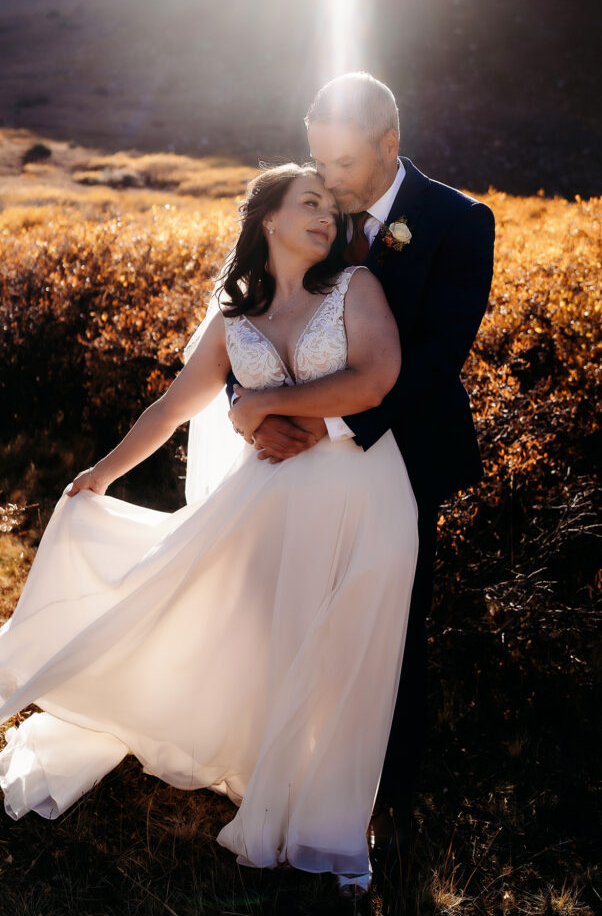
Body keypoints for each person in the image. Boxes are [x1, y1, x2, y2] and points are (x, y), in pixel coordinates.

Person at [0, 163, 419, 903]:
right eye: (308, 204)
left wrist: (260, 404)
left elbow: (375, 381)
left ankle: (326, 828)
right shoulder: (233, 319)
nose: (326, 218)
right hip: (269, 502)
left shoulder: (357, 289)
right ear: (267, 219)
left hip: (363, 493)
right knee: (267, 644)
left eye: (331, 209)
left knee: (346, 655)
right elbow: (172, 410)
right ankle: (272, 793)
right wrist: (104, 473)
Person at [236, 73, 495, 854]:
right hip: (295, 464)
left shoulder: (458, 221)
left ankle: (384, 804)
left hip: (402, 455)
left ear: (390, 145)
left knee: (393, 628)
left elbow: (440, 355)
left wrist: (327, 418)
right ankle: (289, 770)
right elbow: (258, 314)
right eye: (318, 160)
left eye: (343, 164)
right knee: (281, 612)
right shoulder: (313, 210)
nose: (328, 181)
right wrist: (245, 409)